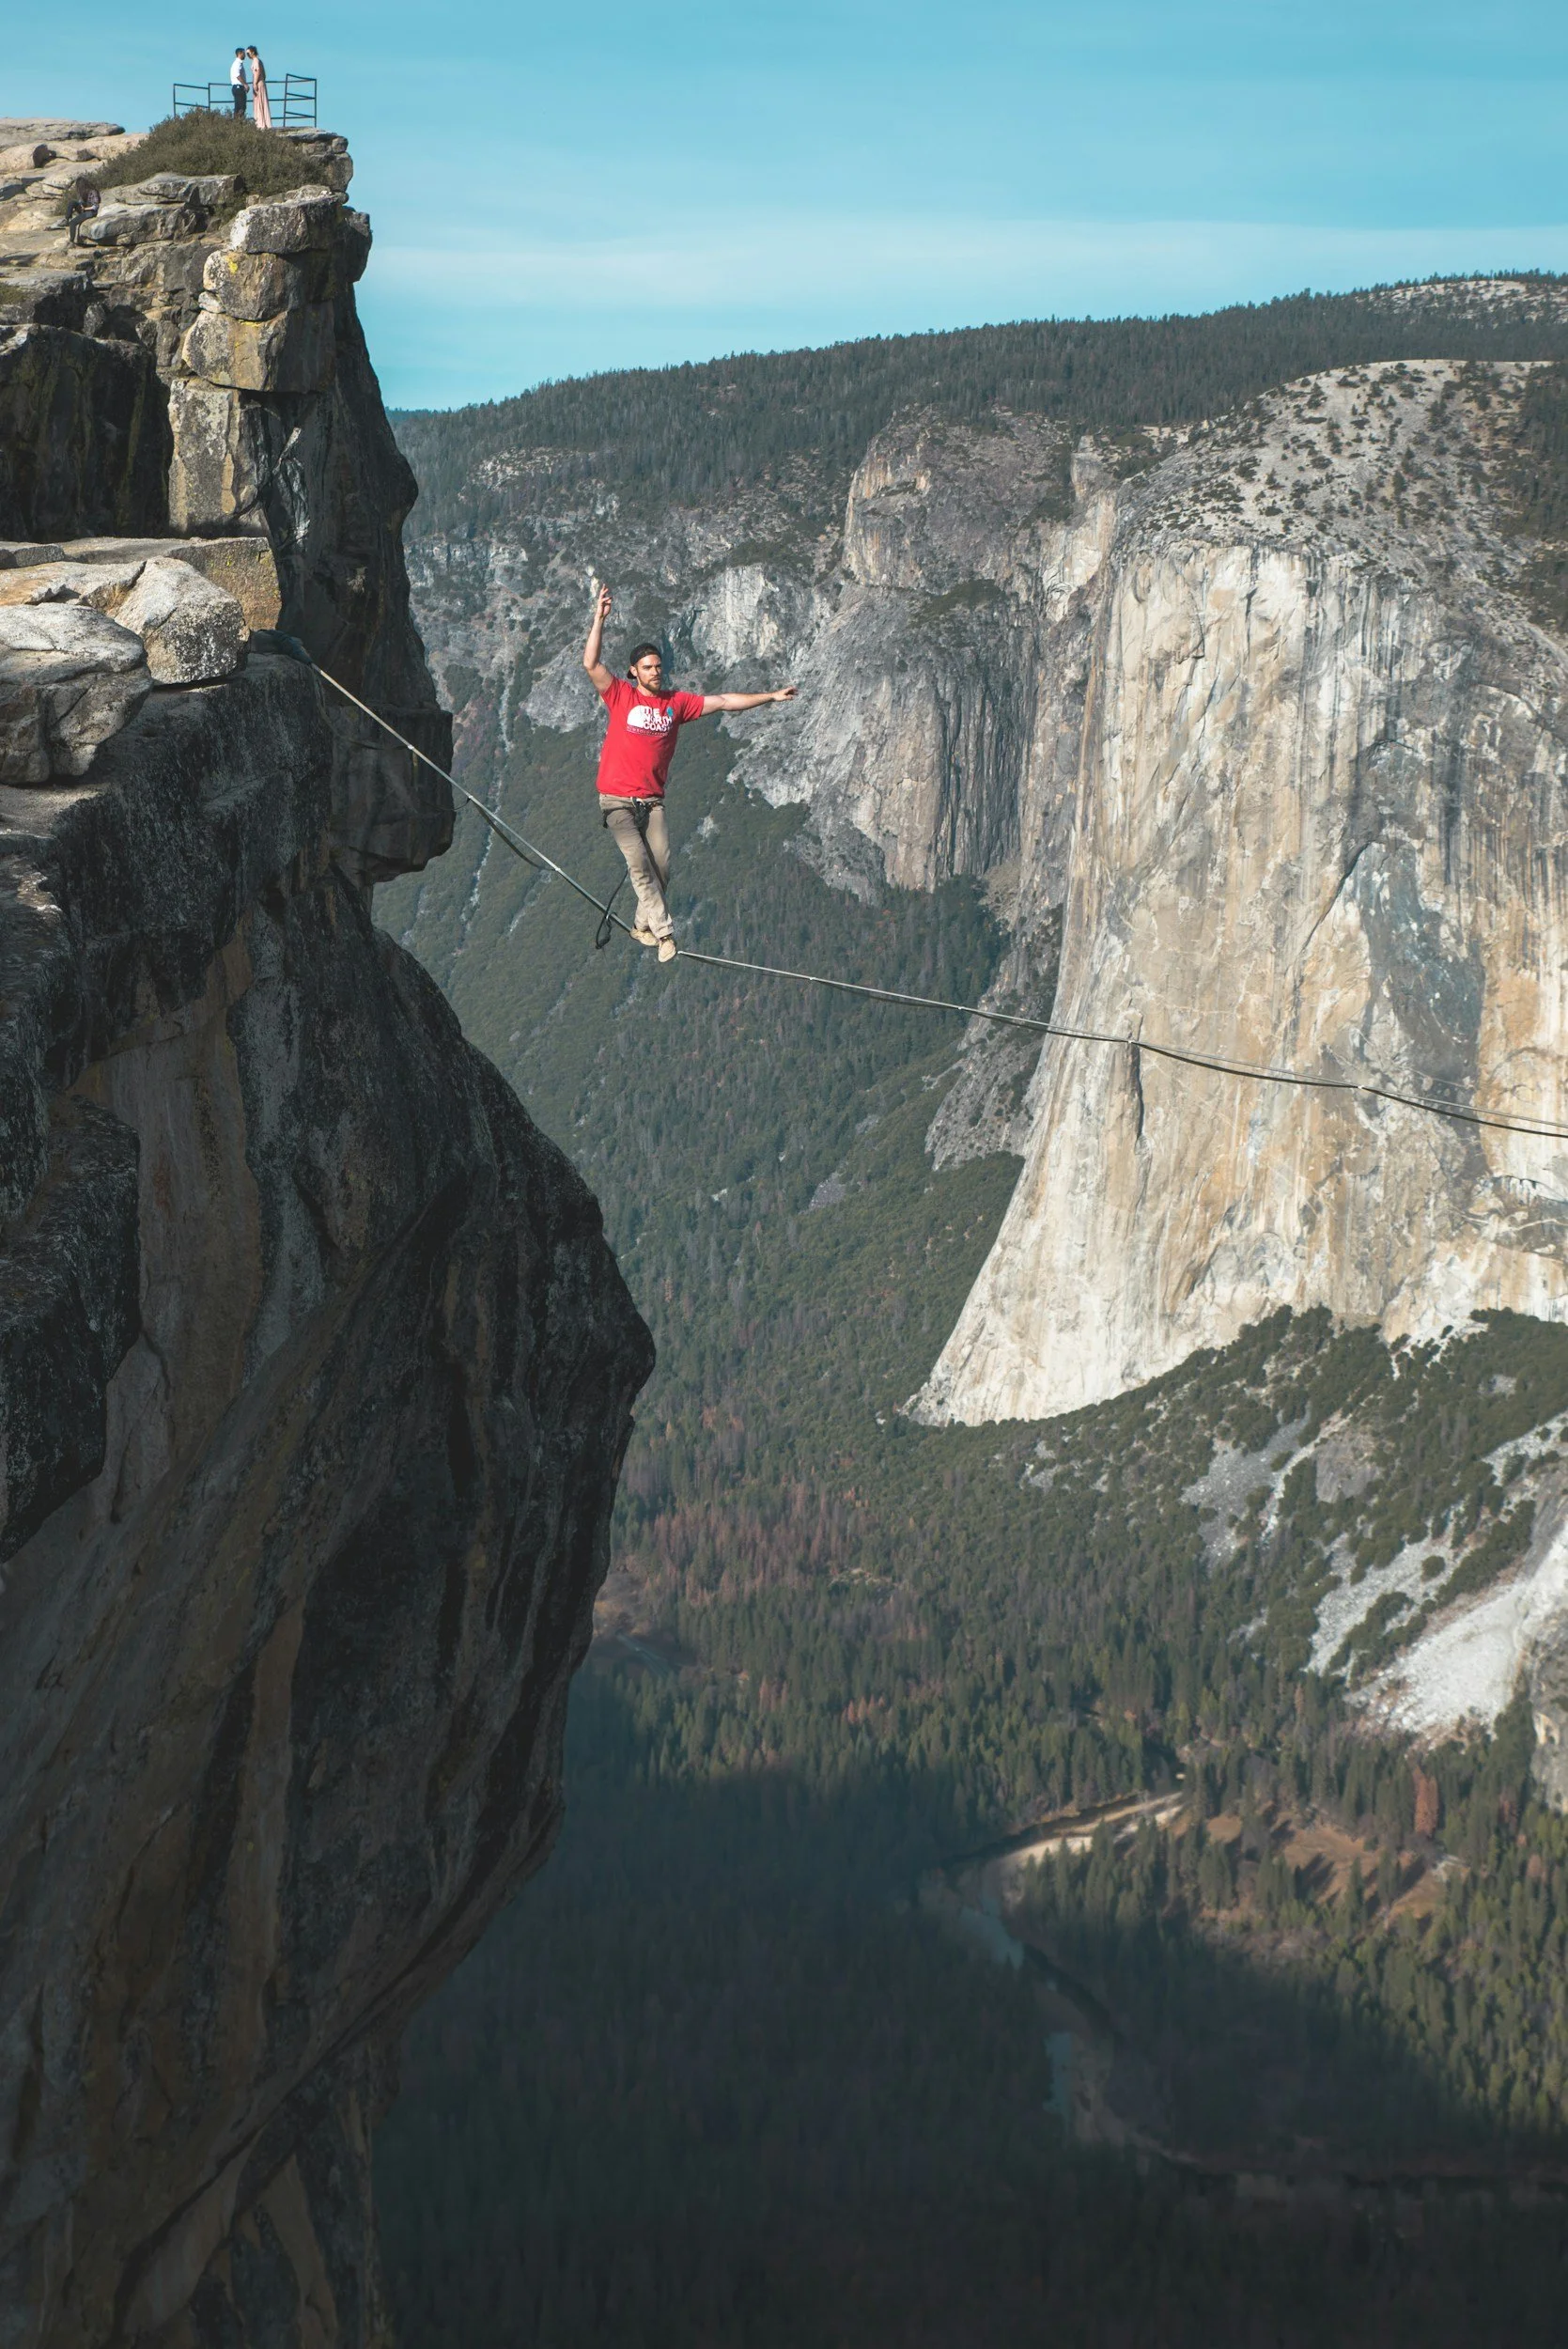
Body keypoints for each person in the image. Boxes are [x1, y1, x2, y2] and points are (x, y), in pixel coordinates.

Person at [582, 585, 797, 959]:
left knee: (661, 867)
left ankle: (641, 925)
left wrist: (770, 697)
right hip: (616, 800)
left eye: (659, 667)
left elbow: (727, 701)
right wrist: (599, 619)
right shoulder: (620, 695)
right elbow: (591, 663)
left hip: (652, 803)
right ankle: (665, 934)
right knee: (638, 863)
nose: (655, 672)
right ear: (634, 672)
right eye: (648, 668)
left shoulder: (676, 704)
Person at [64, 178, 100, 244]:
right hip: (85, 209)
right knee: (72, 202)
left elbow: (96, 206)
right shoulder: (83, 193)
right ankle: (66, 219)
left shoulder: (93, 192)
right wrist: (76, 208)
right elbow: (80, 203)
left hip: (91, 212)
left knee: (72, 223)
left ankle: (71, 242)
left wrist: (85, 209)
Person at [247, 48, 272, 130]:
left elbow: (257, 71)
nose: (248, 55)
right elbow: (264, 74)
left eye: (248, 53)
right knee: (261, 101)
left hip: (258, 83)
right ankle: (263, 121)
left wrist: (255, 83)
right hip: (261, 82)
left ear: (252, 52)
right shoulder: (259, 60)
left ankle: (261, 123)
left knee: (259, 101)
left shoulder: (256, 60)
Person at [229, 49, 249, 118]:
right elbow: (237, 75)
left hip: (237, 87)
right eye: (244, 53)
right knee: (241, 106)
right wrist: (245, 84)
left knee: (238, 107)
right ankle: (239, 123)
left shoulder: (238, 63)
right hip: (238, 87)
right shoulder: (237, 63)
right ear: (240, 53)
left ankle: (236, 123)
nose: (245, 55)